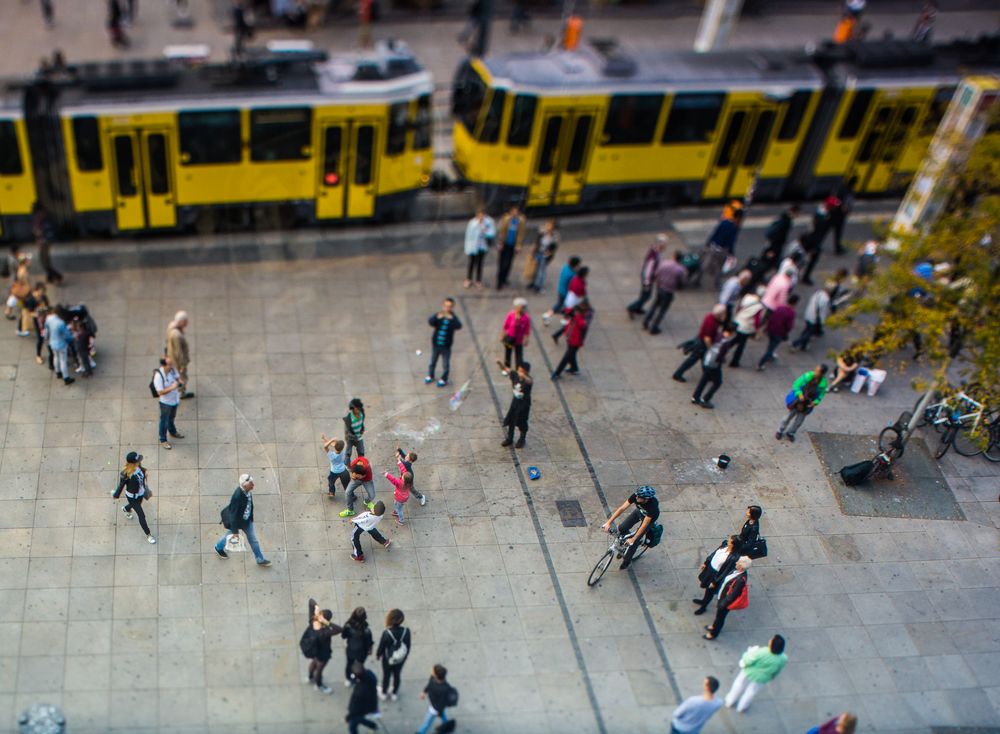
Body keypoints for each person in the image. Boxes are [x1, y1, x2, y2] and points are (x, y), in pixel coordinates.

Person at [215, 474, 271, 566]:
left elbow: (250, 504)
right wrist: (235, 531)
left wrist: (251, 517)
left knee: (253, 540)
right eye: (251, 483)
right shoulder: (237, 496)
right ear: (244, 485)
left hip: (247, 521)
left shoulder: (248, 491)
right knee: (229, 536)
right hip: (238, 522)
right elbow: (233, 514)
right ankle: (218, 547)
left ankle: (260, 559)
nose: (253, 484)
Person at [600, 486, 660, 570]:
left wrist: (633, 539)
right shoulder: (636, 496)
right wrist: (608, 522)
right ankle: (625, 544)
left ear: (646, 499)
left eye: (639, 497)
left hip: (648, 520)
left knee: (634, 542)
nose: (636, 497)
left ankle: (627, 561)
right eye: (637, 495)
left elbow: (644, 525)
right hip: (639, 512)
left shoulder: (652, 507)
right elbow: (622, 508)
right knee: (621, 528)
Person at [723, 634, 788, 711]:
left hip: (749, 671)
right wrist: (772, 676)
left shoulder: (762, 651)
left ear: (772, 644)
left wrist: (748, 652)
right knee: (752, 691)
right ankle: (742, 706)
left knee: (739, 684)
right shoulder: (783, 658)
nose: (770, 640)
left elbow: (748, 660)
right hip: (763, 677)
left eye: (771, 640)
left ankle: (730, 701)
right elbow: (778, 670)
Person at [673, 305, 726, 383]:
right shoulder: (711, 323)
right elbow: (707, 338)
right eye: (724, 313)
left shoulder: (710, 316)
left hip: (701, 342)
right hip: (702, 344)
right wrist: (711, 348)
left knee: (703, 359)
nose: (725, 314)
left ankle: (707, 375)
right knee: (693, 360)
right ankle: (678, 374)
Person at [776, 365, 829, 443]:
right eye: (815, 370)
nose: (815, 372)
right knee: (787, 418)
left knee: (799, 421)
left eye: (818, 371)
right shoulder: (807, 376)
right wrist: (799, 393)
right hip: (798, 401)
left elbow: (821, 395)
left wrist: (815, 402)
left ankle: (790, 433)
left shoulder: (823, 384)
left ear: (822, 374)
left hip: (808, 404)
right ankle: (780, 431)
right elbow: (796, 385)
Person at [112, 451, 156, 544]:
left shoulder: (138, 467)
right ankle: (148, 535)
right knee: (141, 515)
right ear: (133, 462)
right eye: (137, 460)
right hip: (132, 497)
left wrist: (144, 479)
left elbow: (141, 477)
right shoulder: (126, 474)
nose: (139, 461)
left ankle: (126, 509)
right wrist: (116, 494)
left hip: (140, 493)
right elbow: (121, 485)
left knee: (136, 505)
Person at [703, 556, 750, 640]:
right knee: (718, 616)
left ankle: (714, 633)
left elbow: (732, 595)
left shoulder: (740, 580)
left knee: (720, 618)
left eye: (738, 563)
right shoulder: (736, 571)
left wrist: (722, 604)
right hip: (722, 597)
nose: (736, 563)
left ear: (741, 567)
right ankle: (713, 626)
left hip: (725, 602)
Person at [303, 598, 342, 694]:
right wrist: (327, 622)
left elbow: (311, 601)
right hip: (323, 653)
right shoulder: (325, 632)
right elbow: (340, 629)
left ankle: (310, 677)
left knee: (313, 663)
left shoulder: (312, 621)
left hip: (314, 651)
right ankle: (319, 685)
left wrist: (316, 608)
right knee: (319, 669)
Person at [643, 251, 687, 335]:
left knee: (655, 305)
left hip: (660, 288)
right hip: (669, 291)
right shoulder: (680, 270)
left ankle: (646, 321)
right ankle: (654, 327)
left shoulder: (664, 263)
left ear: (674, 256)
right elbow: (682, 282)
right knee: (662, 310)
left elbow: (656, 274)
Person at [693, 535, 739, 614]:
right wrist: (706, 563)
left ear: (733, 544)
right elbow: (713, 554)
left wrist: (715, 582)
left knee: (710, 592)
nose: (728, 541)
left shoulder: (733, 557)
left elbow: (725, 571)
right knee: (706, 587)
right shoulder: (724, 545)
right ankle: (703, 601)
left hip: (716, 574)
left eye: (730, 541)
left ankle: (703, 606)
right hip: (710, 569)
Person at [692, 325, 736, 409]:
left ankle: (695, 397)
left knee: (704, 379)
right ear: (732, 332)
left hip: (708, 359)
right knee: (718, 382)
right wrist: (723, 360)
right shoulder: (726, 342)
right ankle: (705, 399)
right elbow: (720, 356)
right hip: (714, 364)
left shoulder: (718, 334)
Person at [703, 200, 744, 288]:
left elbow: (715, 233)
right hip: (723, 250)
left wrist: (708, 243)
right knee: (719, 267)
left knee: (706, 263)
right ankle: (716, 283)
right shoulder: (734, 228)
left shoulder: (724, 222)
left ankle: (698, 279)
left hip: (714, 246)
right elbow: (731, 242)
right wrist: (731, 253)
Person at [626, 234, 666, 318]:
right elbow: (648, 270)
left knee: (644, 294)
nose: (665, 246)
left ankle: (638, 308)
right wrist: (647, 283)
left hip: (648, 277)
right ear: (659, 244)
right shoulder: (653, 256)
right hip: (647, 278)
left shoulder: (656, 252)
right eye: (663, 244)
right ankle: (631, 307)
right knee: (647, 296)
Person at [375, 609, 411, 701]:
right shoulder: (406, 631)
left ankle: (384, 693)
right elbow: (408, 645)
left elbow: (382, 647)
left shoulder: (387, 633)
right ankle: (394, 693)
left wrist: (378, 655)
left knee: (386, 676)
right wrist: (405, 656)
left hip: (388, 659)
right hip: (400, 659)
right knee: (397, 675)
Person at [756, 293, 799, 370]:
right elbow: (789, 326)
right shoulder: (791, 313)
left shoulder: (779, 308)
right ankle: (761, 363)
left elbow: (771, 318)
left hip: (771, 330)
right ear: (795, 303)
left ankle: (770, 355)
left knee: (770, 344)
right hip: (779, 333)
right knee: (772, 348)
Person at [426, 297, 462, 388]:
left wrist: (452, 319)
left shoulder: (452, 318)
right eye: (445, 306)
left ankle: (444, 378)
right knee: (432, 361)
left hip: (446, 346)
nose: (447, 308)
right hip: (436, 344)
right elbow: (431, 322)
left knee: (445, 363)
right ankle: (430, 375)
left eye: (449, 307)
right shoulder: (439, 315)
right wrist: (436, 317)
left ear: (452, 307)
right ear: (443, 306)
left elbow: (458, 326)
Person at [497, 359, 532, 448]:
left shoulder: (528, 380)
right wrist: (500, 363)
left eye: (521, 370)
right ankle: (510, 438)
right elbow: (506, 370)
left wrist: (523, 376)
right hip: (515, 403)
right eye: (519, 369)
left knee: (522, 421)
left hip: (524, 405)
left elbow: (530, 381)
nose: (518, 371)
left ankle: (522, 438)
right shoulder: (515, 375)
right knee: (511, 420)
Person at [551, 301, 591, 379]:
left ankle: (557, 372)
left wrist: (576, 315)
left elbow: (582, 325)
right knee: (571, 355)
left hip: (575, 342)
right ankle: (574, 368)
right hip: (570, 339)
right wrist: (573, 310)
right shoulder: (576, 316)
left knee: (566, 357)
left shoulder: (581, 319)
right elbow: (567, 311)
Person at [728, 288, 765, 368]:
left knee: (736, 340)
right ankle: (734, 361)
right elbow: (757, 321)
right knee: (741, 346)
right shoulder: (759, 307)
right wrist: (758, 330)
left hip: (738, 321)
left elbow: (739, 307)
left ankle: (723, 350)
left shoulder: (747, 297)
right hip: (746, 327)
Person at [153, 356, 184, 450]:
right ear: (163, 365)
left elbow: (177, 377)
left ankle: (173, 432)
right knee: (164, 421)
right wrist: (172, 387)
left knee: (172, 417)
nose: (172, 366)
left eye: (171, 363)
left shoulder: (172, 370)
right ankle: (163, 440)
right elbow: (160, 392)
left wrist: (180, 381)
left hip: (174, 399)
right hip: (165, 403)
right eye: (169, 364)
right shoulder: (158, 376)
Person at [792, 283, 833, 351]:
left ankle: (803, 346)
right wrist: (822, 320)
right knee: (809, 333)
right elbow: (823, 311)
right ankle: (796, 343)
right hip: (814, 318)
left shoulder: (818, 293)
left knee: (807, 330)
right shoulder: (826, 299)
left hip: (809, 314)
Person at [417, 664, 455, 734]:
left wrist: (438, 711)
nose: (431, 671)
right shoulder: (434, 679)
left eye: (433, 671)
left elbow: (441, 702)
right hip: (437, 706)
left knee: (426, 723)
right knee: (442, 714)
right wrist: (424, 692)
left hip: (434, 708)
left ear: (436, 675)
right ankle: (446, 725)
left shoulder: (443, 688)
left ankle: (420, 732)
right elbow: (429, 684)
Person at [495, 205, 526, 290]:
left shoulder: (520, 221)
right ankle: (499, 281)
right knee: (502, 263)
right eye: (513, 211)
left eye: (516, 211)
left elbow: (521, 234)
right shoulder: (506, 219)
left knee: (508, 263)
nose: (514, 213)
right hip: (504, 244)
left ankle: (505, 278)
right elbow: (501, 231)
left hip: (512, 245)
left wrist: (519, 245)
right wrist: (500, 242)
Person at [463, 207, 495, 289]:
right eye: (479, 215)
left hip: (482, 247)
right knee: (472, 263)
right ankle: (468, 279)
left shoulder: (489, 222)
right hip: (473, 246)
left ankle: (478, 280)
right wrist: (467, 248)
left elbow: (491, 233)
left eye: (482, 215)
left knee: (480, 264)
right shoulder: (472, 223)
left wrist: (485, 231)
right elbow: (468, 235)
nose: (481, 217)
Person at [543, 256, 580, 324]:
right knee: (568, 307)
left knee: (559, 304)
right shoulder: (572, 274)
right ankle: (564, 320)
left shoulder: (565, 267)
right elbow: (573, 285)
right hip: (566, 293)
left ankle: (547, 315)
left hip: (561, 289)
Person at [525, 218, 559, 292]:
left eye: (549, 225)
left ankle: (538, 285)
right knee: (534, 268)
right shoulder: (542, 232)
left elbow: (554, 247)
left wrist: (549, 252)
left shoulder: (555, 236)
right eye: (546, 225)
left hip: (545, 254)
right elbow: (537, 241)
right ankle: (533, 283)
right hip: (538, 252)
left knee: (541, 270)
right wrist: (533, 249)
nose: (547, 227)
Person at [165, 311, 193, 399]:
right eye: (185, 321)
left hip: (171, 356)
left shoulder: (171, 326)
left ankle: (176, 392)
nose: (187, 323)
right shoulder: (176, 335)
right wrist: (182, 365)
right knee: (182, 377)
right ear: (181, 321)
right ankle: (181, 393)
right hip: (177, 360)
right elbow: (178, 352)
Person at [342, 608, 374, 684]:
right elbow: (369, 642)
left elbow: (344, 636)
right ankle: (357, 677)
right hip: (362, 651)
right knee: (360, 665)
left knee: (349, 664)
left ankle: (348, 678)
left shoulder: (348, 626)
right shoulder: (366, 630)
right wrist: (370, 649)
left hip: (351, 649)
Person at [32, 203, 62, 284]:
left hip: (43, 242)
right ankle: (50, 278)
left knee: (43, 261)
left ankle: (57, 275)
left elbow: (38, 232)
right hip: (49, 241)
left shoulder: (38, 218)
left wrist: (37, 239)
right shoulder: (45, 216)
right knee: (46, 260)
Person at [43, 306, 74, 385]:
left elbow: (46, 328)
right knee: (63, 360)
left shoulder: (48, 318)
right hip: (61, 344)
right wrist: (72, 337)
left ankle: (58, 372)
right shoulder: (61, 323)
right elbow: (67, 336)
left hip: (52, 342)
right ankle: (66, 378)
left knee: (55, 357)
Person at [346, 661, 379, 733]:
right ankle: (373, 725)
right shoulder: (370, 674)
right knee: (360, 719)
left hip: (360, 710)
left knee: (353, 726)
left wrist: (348, 717)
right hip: (370, 704)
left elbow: (354, 707)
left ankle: (372, 725)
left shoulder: (359, 691)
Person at [340, 454, 375, 518]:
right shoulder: (354, 465)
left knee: (372, 495)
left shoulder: (367, 470)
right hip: (356, 480)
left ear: (363, 475)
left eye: (359, 476)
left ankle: (367, 502)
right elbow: (351, 470)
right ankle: (350, 510)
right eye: (356, 475)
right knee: (347, 492)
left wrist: (360, 477)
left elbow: (366, 477)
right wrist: (354, 476)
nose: (359, 477)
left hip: (367, 480)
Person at [500, 298, 531, 370]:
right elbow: (505, 326)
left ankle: (518, 369)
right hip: (510, 339)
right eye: (521, 307)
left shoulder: (526, 318)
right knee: (508, 353)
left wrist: (526, 339)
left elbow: (527, 329)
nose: (522, 309)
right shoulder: (511, 315)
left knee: (519, 356)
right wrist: (502, 336)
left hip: (519, 340)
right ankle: (507, 368)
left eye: (523, 307)